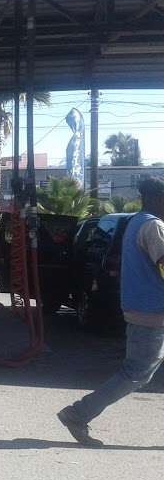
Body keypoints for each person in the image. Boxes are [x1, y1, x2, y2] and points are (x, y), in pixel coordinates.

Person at [57, 176, 164, 446]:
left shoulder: (134, 222)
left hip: (143, 308)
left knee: (138, 371)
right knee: (136, 373)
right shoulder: (153, 226)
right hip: (152, 312)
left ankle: (78, 414)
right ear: (159, 199)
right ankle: (78, 414)